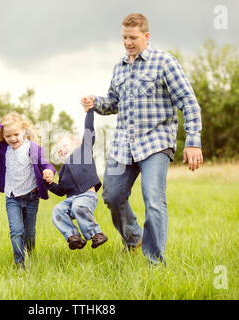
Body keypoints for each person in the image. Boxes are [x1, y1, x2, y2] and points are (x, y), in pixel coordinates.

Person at [81, 13, 203, 265]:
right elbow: (113, 103)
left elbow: (188, 101)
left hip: (156, 143)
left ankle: (154, 261)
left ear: (146, 36)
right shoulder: (119, 67)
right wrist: (96, 103)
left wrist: (193, 140)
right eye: (124, 37)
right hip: (122, 145)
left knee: (153, 199)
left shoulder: (165, 62)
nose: (128, 42)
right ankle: (134, 237)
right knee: (111, 196)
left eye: (133, 37)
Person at [0, 112, 55, 268]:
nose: (13, 139)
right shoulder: (1, 148)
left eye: (16, 134)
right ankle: (20, 264)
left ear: (24, 131)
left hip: (31, 197)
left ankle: (30, 254)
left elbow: (46, 164)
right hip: (12, 197)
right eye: (8, 136)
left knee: (29, 233)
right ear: (3, 136)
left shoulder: (33, 148)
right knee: (16, 230)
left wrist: (49, 172)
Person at [45, 108, 108, 250]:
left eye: (64, 145)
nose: (61, 149)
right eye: (58, 149)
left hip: (87, 196)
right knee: (57, 210)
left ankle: (96, 234)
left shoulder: (83, 152)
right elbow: (61, 191)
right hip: (71, 199)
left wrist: (90, 112)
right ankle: (74, 237)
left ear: (77, 144)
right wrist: (48, 183)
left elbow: (88, 131)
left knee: (78, 205)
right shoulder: (63, 170)